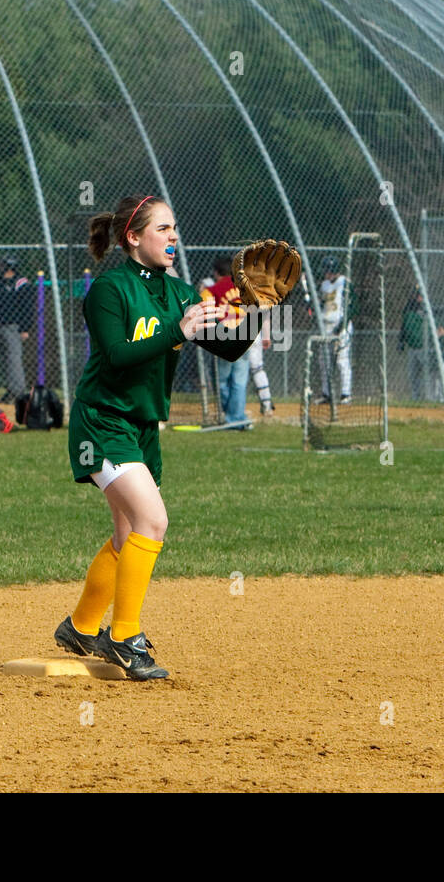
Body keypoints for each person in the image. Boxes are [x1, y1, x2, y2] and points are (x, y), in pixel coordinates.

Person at [55, 195, 277, 680]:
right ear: (134, 237)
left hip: (141, 425)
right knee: (152, 522)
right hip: (102, 421)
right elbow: (116, 355)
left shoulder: (178, 292)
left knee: (126, 533)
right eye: (163, 228)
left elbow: (231, 349)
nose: (173, 236)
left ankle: (80, 626)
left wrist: (260, 308)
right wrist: (177, 329)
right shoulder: (108, 290)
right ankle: (124, 636)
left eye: (175, 227)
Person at [200, 255, 252, 428]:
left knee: (221, 380)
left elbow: (204, 310)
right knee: (239, 381)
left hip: (223, 335)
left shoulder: (213, 289)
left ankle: (232, 416)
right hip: (245, 334)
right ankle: (236, 417)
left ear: (216, 272)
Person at [0, 256, 35, 404]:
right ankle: (10, 390)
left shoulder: (21, 283)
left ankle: (18, 392)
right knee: (5, 360)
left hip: (13, 326)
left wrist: (25, 328)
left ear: (10, 267)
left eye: (3, 265)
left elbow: (27, 307)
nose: (0, 268)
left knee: (13, 359)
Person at [314, 256, 352, 405]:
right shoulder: (324, 285)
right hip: (326, 326)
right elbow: (320, 303)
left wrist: (342, 325)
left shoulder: (344, 283)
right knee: (324, 361)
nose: (326, 274)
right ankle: (326, 393)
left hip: (341, 325)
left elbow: (352, 306)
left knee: (342, 360)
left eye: (328, 271)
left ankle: (345, 393)